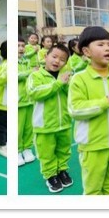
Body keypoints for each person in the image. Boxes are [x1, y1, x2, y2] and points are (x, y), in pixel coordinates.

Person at [68, 26, 109, 195]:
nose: (107, 48)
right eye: (101, 44)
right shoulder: (80, 79)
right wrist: (107, 101)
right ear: (86, 51)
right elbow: (75, 109)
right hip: (93, 146)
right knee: (93, 190)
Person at [27, 43, 73, 193]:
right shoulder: (36, 75)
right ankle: (50, 175)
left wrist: (65, 84)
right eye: (54, 57)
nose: (57, 61)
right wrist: (59, 84)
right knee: (46, 153)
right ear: (45, 57)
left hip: (64, 123)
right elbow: (35, 92)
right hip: (44, 125)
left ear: (66, 63)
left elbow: (72, 94)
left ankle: (62, 170)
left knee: (64, 150)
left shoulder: (65, 76)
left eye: (62, 59)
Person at [18, 37, 36, 167]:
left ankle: (27, 148)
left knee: (29, 127)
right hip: (18, 101)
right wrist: (31, 72)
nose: (21, 48)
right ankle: (17, 151)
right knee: (18, 129)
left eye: (22, 46)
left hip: (29, 100)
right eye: (18, 46)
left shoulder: (26, 61)